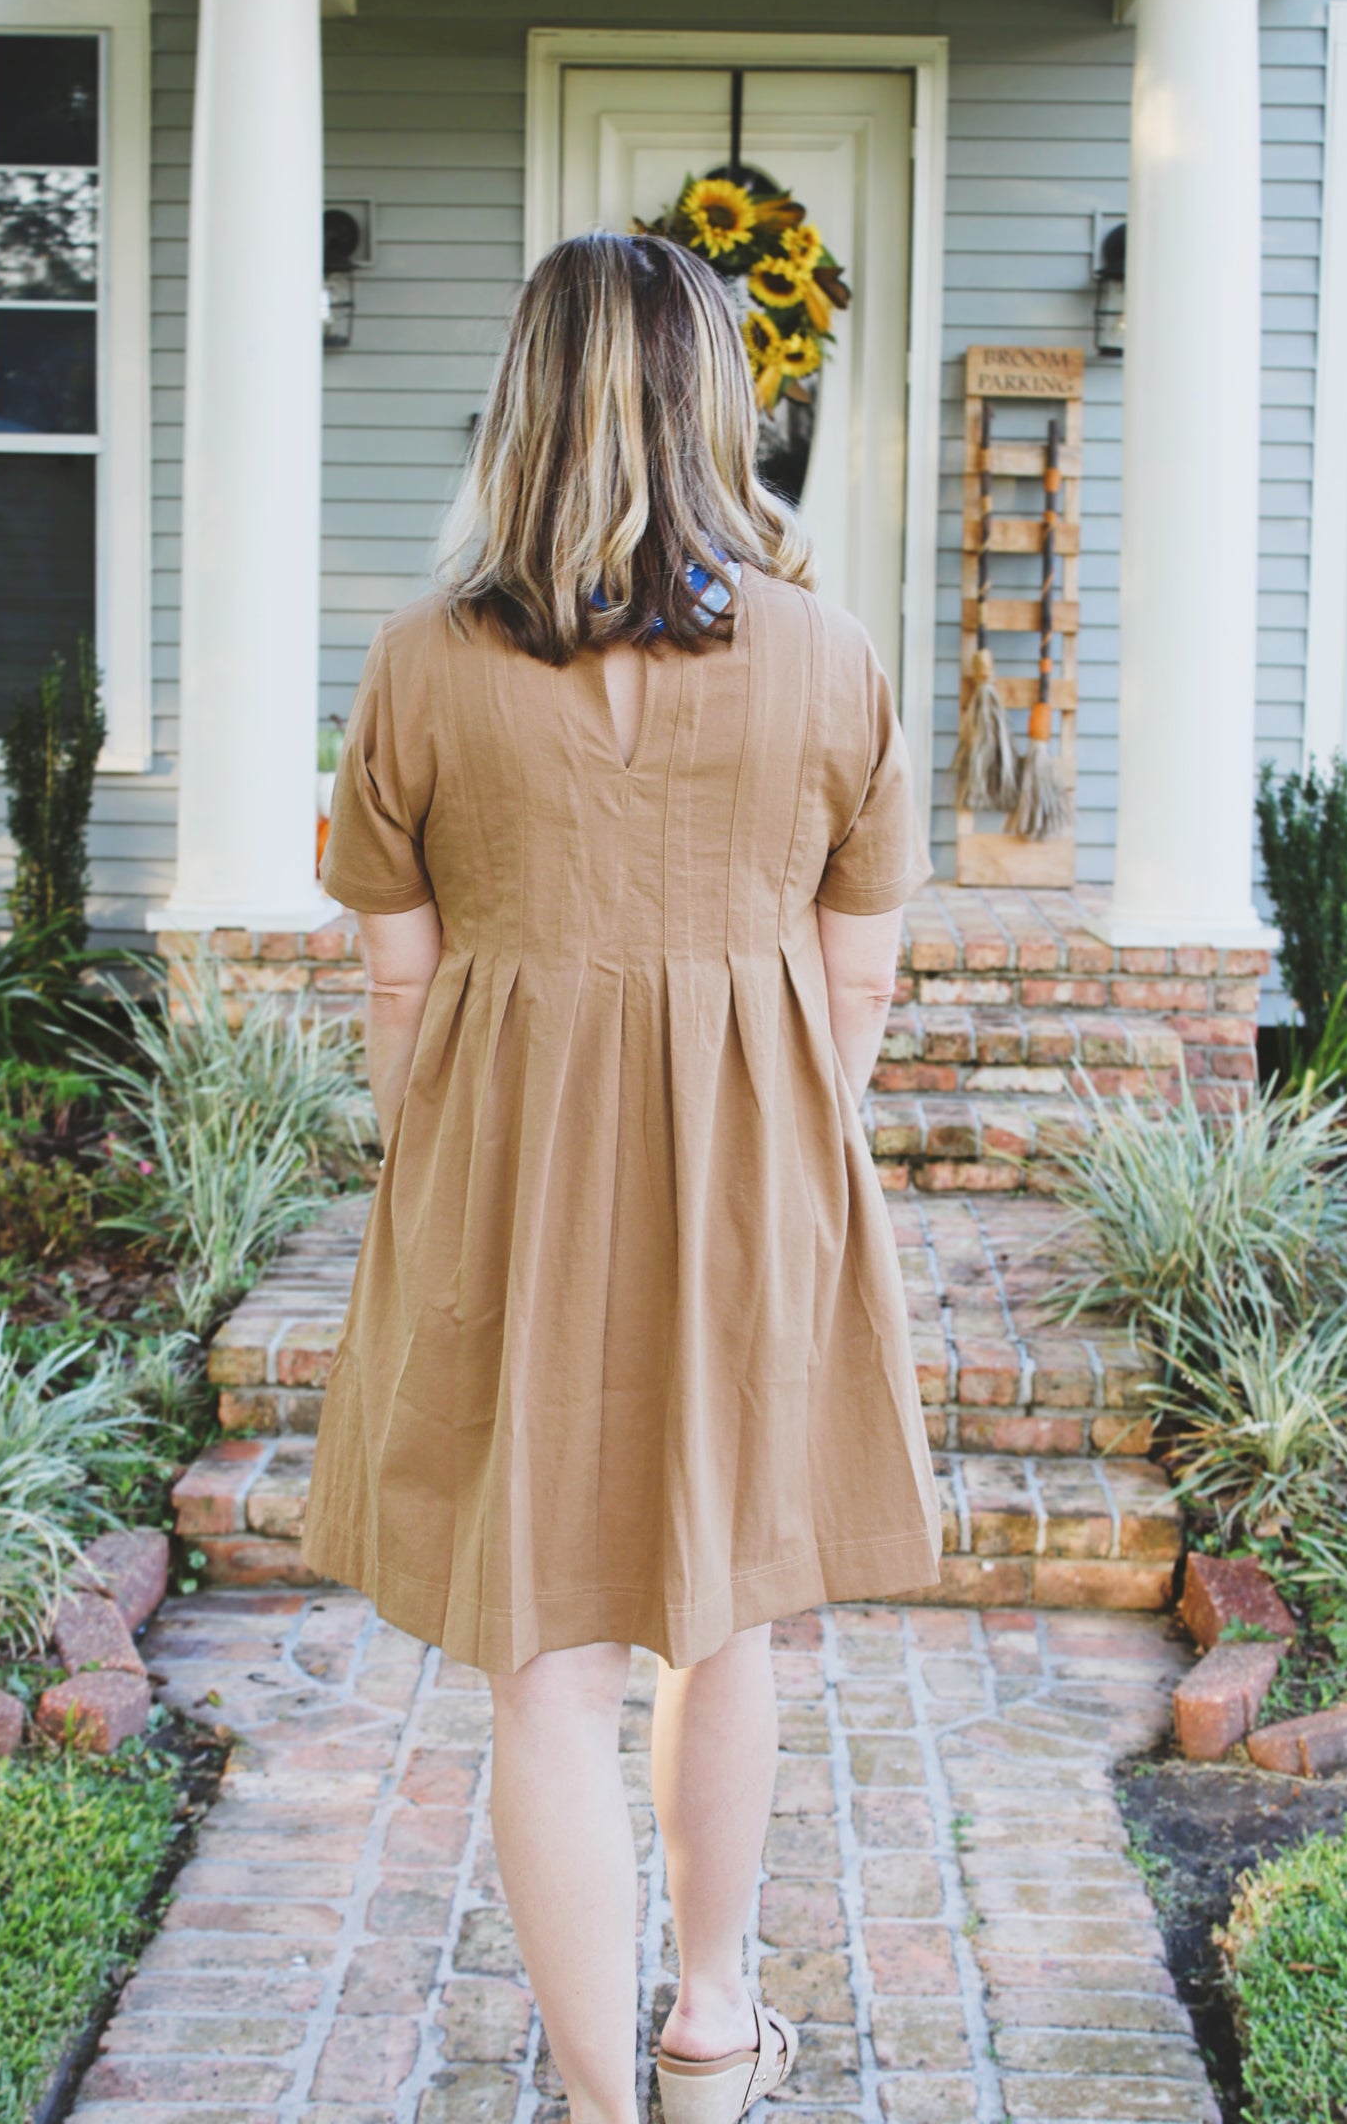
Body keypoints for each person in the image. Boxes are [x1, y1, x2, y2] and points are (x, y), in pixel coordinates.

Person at [300, 231, 941, 2124]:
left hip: (501, 1190)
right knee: (726, 1613)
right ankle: (711, 2031)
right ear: (713, 404)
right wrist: (779, 1140)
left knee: (546, 1667)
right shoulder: (830, 656)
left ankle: (598, 2104)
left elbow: (394, 991)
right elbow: (866, 968)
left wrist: (464, 1160)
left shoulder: (421, 667)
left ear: (525, 404)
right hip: (756, 1184)